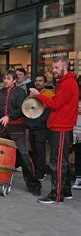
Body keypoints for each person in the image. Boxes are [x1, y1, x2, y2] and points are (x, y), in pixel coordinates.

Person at [30, 57, 79, 203]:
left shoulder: (68, 82)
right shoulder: (65, 82)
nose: (54, 71)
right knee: (61, 161)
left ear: (65, 67)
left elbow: (55, 104)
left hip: (61, 126)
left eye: (57, 67)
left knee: (57, 162)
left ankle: (56, 195)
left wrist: (39, 95)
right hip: (61, 125)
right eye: (53, 67)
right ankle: (66, 191)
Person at [0, 70, 41, 196]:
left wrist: (8, 116)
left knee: (24, 153)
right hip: (2, 126)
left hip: (17, 126)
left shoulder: (20, 92)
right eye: (4, 78)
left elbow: (22, 109)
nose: (5, 81)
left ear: (14, 80)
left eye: (8, 78)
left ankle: (34, 184)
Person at [27, 74, 53, 181]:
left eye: (40, 81)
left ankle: (41, 173)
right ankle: (35, 171)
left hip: (42, 127)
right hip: (32, 126)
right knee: (33, 150)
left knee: (40, 151)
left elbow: (49, 109)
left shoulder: (49, 94)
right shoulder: (31, 94)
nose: (38, 82)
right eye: (36, 80)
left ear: (45, 83)